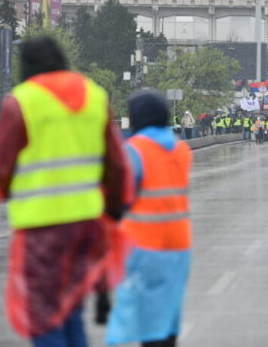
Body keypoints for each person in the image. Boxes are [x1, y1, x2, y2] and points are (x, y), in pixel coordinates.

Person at [0, 36, 130, 347]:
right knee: (71, 308)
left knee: (44, 315)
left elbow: (0, 165)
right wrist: (115, 208)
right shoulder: (95, 96)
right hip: (87, 224)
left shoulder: (22, 101)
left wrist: (7, 191)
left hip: (42, 227)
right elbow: (116, 164)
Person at [106, 90, 192, 347]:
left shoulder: (135, 150)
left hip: (144, 243)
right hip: (179, 243)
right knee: (170, 309)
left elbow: (119, 196)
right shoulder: (181, 149)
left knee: (148, 317)